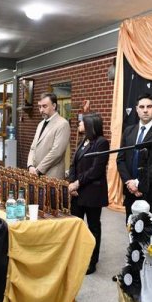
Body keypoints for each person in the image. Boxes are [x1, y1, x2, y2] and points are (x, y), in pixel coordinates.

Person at [116, 93, 152, 221]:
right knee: (131, 231)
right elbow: (120, 159)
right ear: (136, 109)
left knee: (149, 236)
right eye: (141, 107)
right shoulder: (129, 131)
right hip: (131, 192)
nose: (145, 110)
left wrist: (138, 183)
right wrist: (129, 182)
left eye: (149, 106)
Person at [68, 113, 109, 275]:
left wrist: (77, 182)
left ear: (90, 125)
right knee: (75, 226)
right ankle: (77, 257)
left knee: (93, 228)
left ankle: (92, 261)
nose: (79, 124)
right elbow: (73, 164)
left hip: (92, 193)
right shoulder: (83, 141)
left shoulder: (102, 143)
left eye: (82, 122)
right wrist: (72, 183)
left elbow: (96, 170)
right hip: (77, 193)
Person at [27, 92, 70, 179]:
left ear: (54, 106)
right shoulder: (40, 124)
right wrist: (30, 165)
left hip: (52, 176)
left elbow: (57, 152)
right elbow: (33, 148)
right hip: (35, 174)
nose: (41, 110)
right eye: (39, 106)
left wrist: (38, 170)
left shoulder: (62, 124)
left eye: (44, 106)